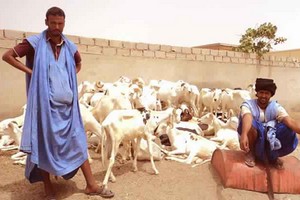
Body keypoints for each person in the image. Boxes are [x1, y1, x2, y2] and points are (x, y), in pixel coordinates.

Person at [2, 7, 114, 199]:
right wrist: (32, 73)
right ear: (46, 22)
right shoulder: (35, 43)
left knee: (78, 143)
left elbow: (78, 63)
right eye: (53, 23)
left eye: (60, 23)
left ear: (64, 23)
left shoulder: (70, 47)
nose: (56, 27)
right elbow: (7, 56)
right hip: (45, 109)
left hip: (68, 110)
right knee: (44, 146)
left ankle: (91, 185)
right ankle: (48, 188)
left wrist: (66, 78)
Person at [238, 78, 300, 169]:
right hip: (252, 139)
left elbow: (290, 122)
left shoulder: (275, 107)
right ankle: (251, 153)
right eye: (261, 92)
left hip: (269, 143)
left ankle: (273, 156)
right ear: (257, 93)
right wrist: (244, 134)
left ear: (271, 95)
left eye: (266, 93)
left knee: (287, 129)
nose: (263, 96)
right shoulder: (248, 105)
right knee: (250, 125)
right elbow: (247, 117)